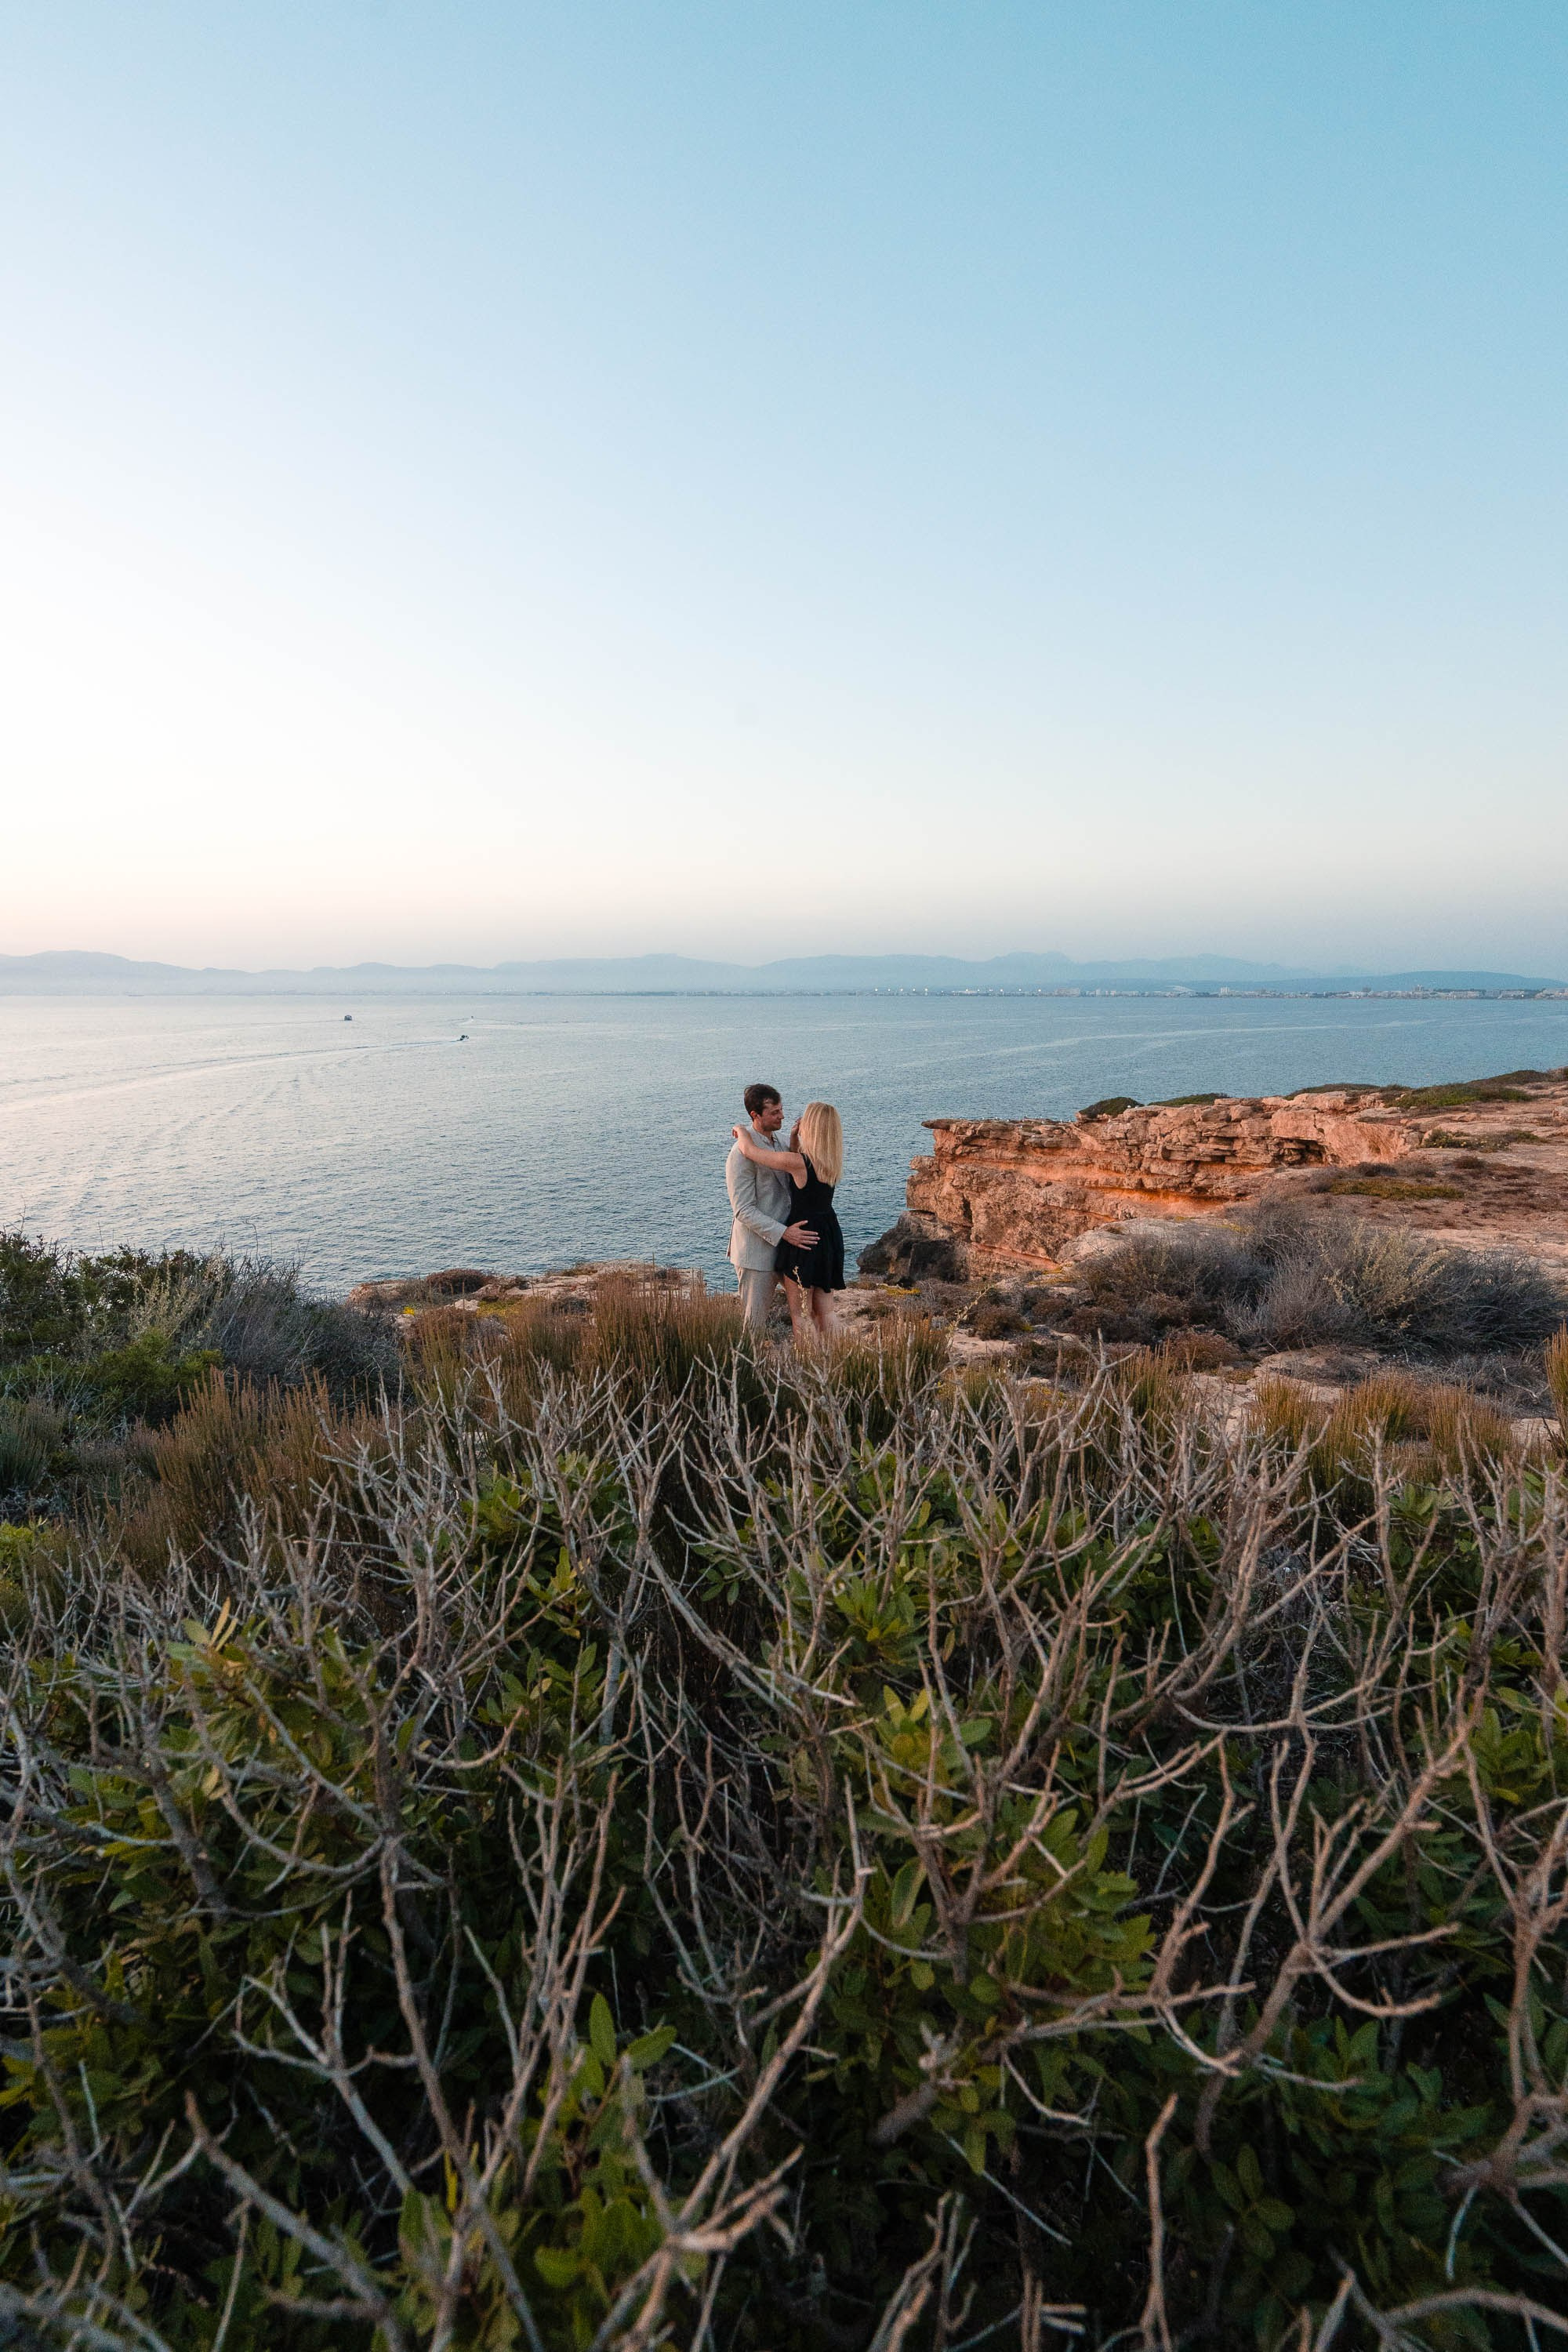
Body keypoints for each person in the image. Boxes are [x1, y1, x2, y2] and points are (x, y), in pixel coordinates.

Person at [730, 1099, 845, 1344]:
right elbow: (803, 1174)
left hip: (803, 1237)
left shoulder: (799, 1163)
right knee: (825, 1311)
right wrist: (795, 1141)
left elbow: (751, 1152)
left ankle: (810, 1370)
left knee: (801, 1315)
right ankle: (840, 1362)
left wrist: (741, 1131)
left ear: (812, 1127)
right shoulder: (829, 1160)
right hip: (827, 1235)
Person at [725, 1083, 819, 1329]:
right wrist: (784, 1232)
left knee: (805, 1315)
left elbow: (792, 1173)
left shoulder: (777, 1141)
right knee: (754, 1325)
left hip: (787, 1248)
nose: (782, 1116)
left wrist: (793, 1140)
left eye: (781, 1109)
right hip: (757, 1252)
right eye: (774, 1113)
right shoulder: (740, 1155)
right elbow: (743, 1210)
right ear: (755, 1115)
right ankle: (747, 1368)